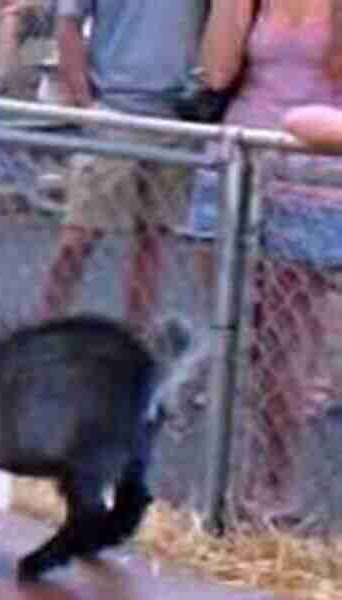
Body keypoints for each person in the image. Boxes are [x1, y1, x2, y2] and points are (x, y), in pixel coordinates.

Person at [194, 0, 342, 518]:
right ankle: (243, 472)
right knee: (240, 343)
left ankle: (282, 481)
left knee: (285, 348)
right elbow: (217, 72)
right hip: (237, 172)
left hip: (310, 185)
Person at [36, 0, 207, 327]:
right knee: (78, 240)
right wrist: (87, 107)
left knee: (153, 238)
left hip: (177, 118)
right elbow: (68, 25)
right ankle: (43, 334)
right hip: (113, 115)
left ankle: (136, 339)